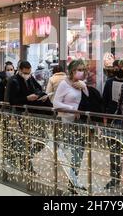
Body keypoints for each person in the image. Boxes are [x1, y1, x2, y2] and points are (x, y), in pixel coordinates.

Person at [53, 60, 89, 188]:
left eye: (83, 70)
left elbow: (88, 99)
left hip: (79, 123)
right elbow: (56, 104)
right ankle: (72, 180)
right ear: (72, 70)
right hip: (66, 121)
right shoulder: (64, 84)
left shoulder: (81, 83)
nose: (81, 72)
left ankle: (73, 180)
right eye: (79, 69)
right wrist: (72, 109)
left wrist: (83, 87)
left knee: (78, 152)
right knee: (74, 150)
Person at [102, 60, 123, 190]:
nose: (120, 69)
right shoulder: (109, 82)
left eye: (122, 67)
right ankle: (114, 178)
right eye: (118, 67)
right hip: (112, 121)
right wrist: (105, 119)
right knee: (114, 151)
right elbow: (104, 101)